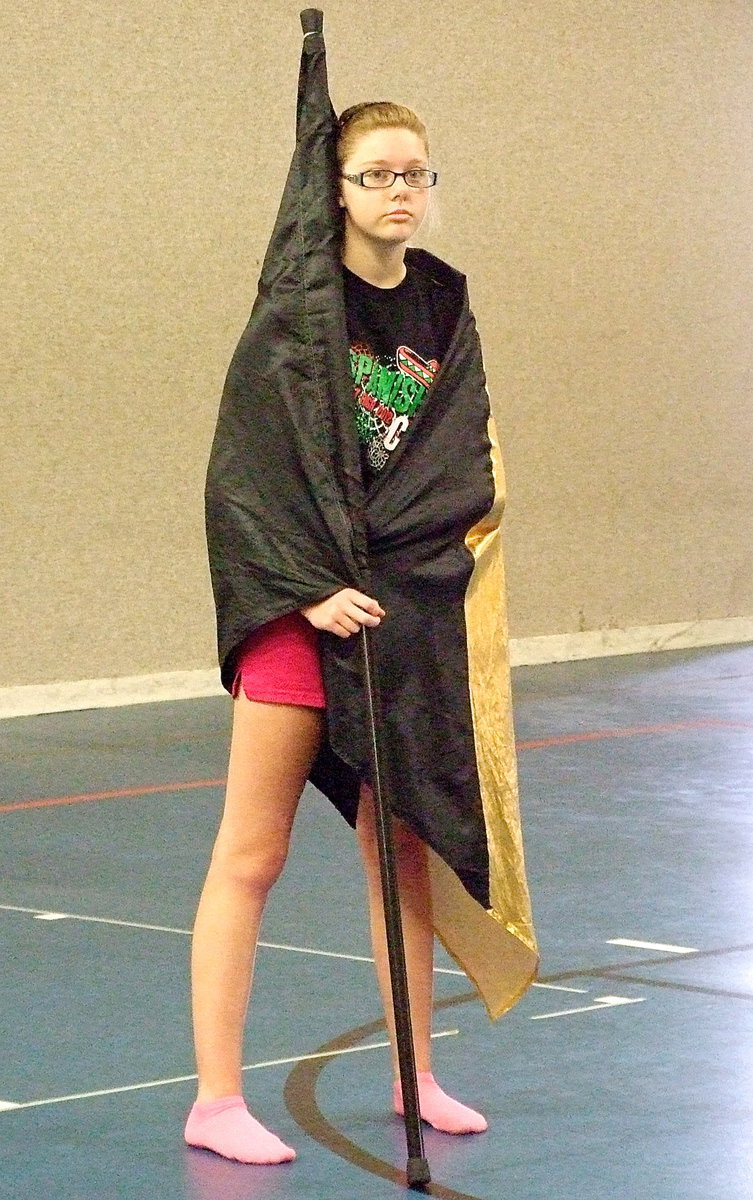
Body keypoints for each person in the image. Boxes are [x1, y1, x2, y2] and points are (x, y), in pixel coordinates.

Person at [184, 102, 493, 1166]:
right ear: (337, 190)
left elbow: (457, 453)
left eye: (417, 171)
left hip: (397, 618)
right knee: (253, 852)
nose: (402, 191)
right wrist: (309, 588)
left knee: (398, 853)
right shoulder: (296, 310)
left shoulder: (444, 299)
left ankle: (416, 1073)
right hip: (299, 619)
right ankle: (215, 1100)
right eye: (377, 175)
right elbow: (245, 477)